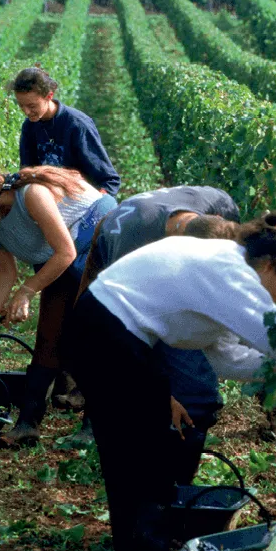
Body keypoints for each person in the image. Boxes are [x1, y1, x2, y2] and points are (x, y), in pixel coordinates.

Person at [69, 216, 276, 551]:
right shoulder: (229, 269)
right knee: (149, 455)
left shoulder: (218, 268)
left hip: (99, 328)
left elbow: (226, 358)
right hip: (110, 333)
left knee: (127, 457)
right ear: (271, 266)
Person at [75, 186, 242, 476]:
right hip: (114, 254)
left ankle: (177, 474)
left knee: (197, 394)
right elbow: (122, 334)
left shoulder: (221, 205)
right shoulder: (132, 249)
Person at [0, 162, 117, 446]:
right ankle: (28, 423)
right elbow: (6, 273)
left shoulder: (32, 195)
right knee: (48, 335)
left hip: (96, 229)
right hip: (64, 254)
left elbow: (66, 252)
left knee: (89, 329)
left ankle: (95, 426)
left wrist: (28, 290)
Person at [7, 67, 121, 195]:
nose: (26, 111)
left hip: (81, 198)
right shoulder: (29, 126)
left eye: (32, 106)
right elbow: (27, 171)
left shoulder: (77, 125)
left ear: (49, 96)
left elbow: (109, 180)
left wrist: (97, 204)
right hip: (49, 199)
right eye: (21, 105)